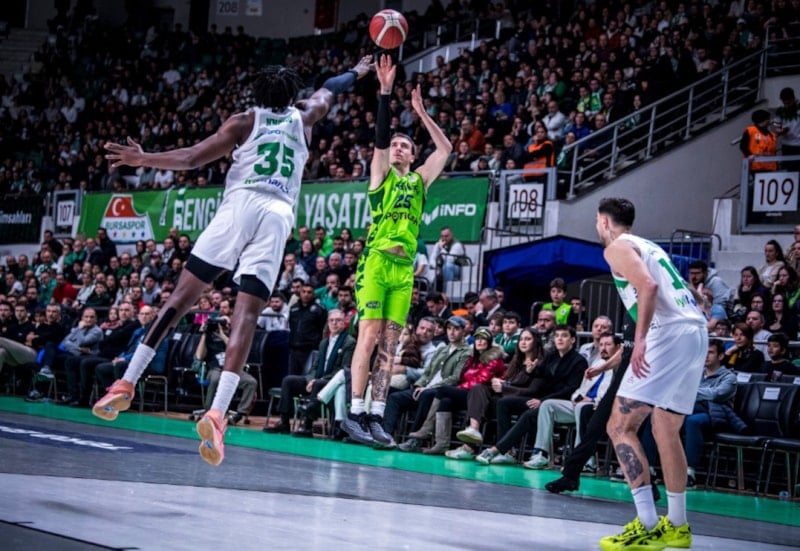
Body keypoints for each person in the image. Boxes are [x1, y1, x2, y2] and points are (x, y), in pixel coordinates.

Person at [93, 55, 374, 466]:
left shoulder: (244, 121)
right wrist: (359, 71)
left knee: (179, 300)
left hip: (239, 206)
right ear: (291, 93)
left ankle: (126, 381)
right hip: (277, 214)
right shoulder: (306, 115)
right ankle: (218, 413)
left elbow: (192, 158)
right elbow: (332, 87)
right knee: (246, 317)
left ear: (257, 94)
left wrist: (143, 158)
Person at [342, 54, 453, 446]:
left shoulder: (419, 182)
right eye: (395, 145)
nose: (399, 148)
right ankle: (354, 411)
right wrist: (386, 93)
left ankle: (375, 414)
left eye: (405, 145)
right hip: (376, 264)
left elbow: (445, 149)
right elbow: (378, 139)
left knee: (391, 344)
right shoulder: (380, 177)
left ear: (412, 154)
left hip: (404, 272)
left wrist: (422, 114)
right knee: (368, 336)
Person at [594, 198, 707, 551]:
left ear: (604, 222)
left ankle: (646, 524)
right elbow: (682, 289)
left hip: (668, 334)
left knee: (619, 426)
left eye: (597, 221)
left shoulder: (616, 248)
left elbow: (649, 287)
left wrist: (640, 338)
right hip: (695, 332)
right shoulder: (650, 246)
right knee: (665, 428)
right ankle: (677, 526)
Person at [266, 309, 355, 436]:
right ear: (327, 323)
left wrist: (318, 380)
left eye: (338, 320)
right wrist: (310, 379)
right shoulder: (324, 342)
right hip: (316, 379)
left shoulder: (349, 342)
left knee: (318, 384)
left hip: (332, 382)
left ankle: (307, 426)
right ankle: (284, 422)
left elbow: (343, 369)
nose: (334, 323)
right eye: (331, 320)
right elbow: (315, 367)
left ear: (344, 323)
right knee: (288, 380)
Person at [195, 315, 258, 425]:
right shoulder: (209, 338)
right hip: (215, 369)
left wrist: (223, 335)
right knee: (216, 379)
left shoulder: (235, 337)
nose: (222, 325)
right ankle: (209, 411)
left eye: (224, 323)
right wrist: (204, 334)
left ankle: (239, 414)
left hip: (233, 371)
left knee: (251, 382)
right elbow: (199, 356)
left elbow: (236, 350)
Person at [739, 109, 777, 173]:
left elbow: (773, 152)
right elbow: (743, 146)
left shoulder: (771, 135)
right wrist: (749, 155)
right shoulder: (751, 130)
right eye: (768, 119)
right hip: (756, 166)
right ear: (763, 120)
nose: (769, 121)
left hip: (770, 167)